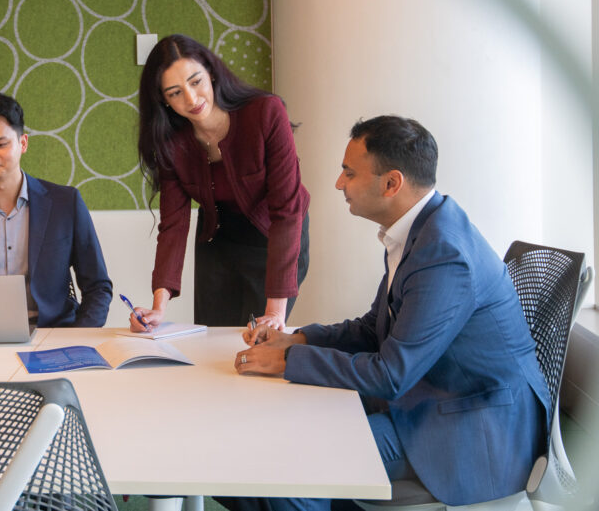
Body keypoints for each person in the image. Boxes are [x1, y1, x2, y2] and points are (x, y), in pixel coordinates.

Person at [236, 116, 550, 510]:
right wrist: (297, 338)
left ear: (391, 184)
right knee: (265, 447)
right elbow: (374, 329)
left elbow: (391, 374)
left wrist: (286, 359)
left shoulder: (443, 255)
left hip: (468, 432)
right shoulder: (422, 229)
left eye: (348, 173)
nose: (338, 184)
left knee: (294, 466)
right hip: (433, 398)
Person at [132, 34, 310, 332]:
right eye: (175, 93)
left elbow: (287, 211)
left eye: (196, 81)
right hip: (216, 239)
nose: (191, 99)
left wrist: (275, 312)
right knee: (214, 339)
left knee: (259, 339)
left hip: (272, 236)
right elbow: (174, 224)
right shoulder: (171, 143)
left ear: (211, 73)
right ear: (163, 100)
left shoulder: (265, 112)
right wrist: (158, 307)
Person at [0, 93, 113, 327]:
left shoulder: (66, 203)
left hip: (53, 334)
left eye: (1, 144)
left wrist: (79, 339)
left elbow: (98, 287)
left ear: (23, 143)